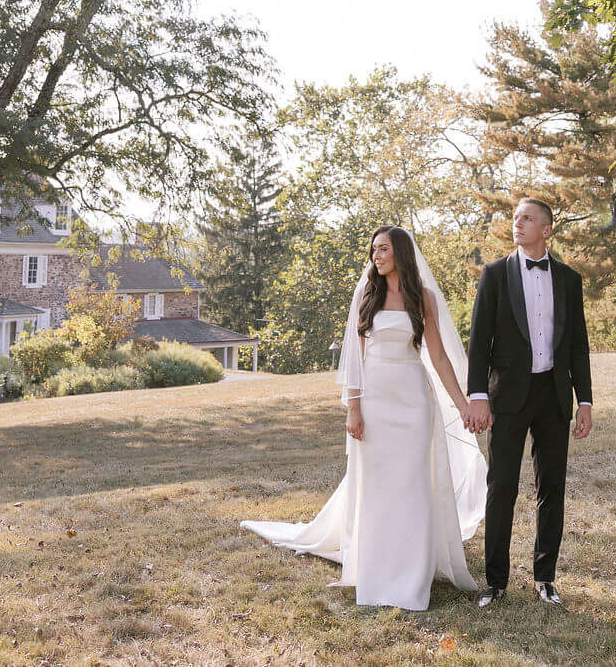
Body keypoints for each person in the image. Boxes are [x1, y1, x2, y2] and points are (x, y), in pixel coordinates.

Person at [240, 226, 486, 610]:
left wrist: (462, 402)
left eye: (383, 249)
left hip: (414, 401)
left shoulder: (423, 297)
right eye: (373, 249)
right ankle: (375, 571)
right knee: (378, 486)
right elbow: (354, 358)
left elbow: (437, 357)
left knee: (413, 484)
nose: (376, 256)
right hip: (374, 401)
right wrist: (353, 408)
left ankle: (412, 576)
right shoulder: (366, 294)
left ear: (401, 253)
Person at [462, 196, 593, 607]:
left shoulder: (570, 280)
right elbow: (479, 341)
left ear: (546, 230)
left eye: (528, 219)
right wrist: (478, 396)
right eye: (516, 218)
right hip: (508, 398)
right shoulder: (496, 274)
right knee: (501, 487)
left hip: (553, 396)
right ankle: (495, 583)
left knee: (551, 488)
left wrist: (584, 401)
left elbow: (578, 347)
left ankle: (545, 578)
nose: (518, 224)